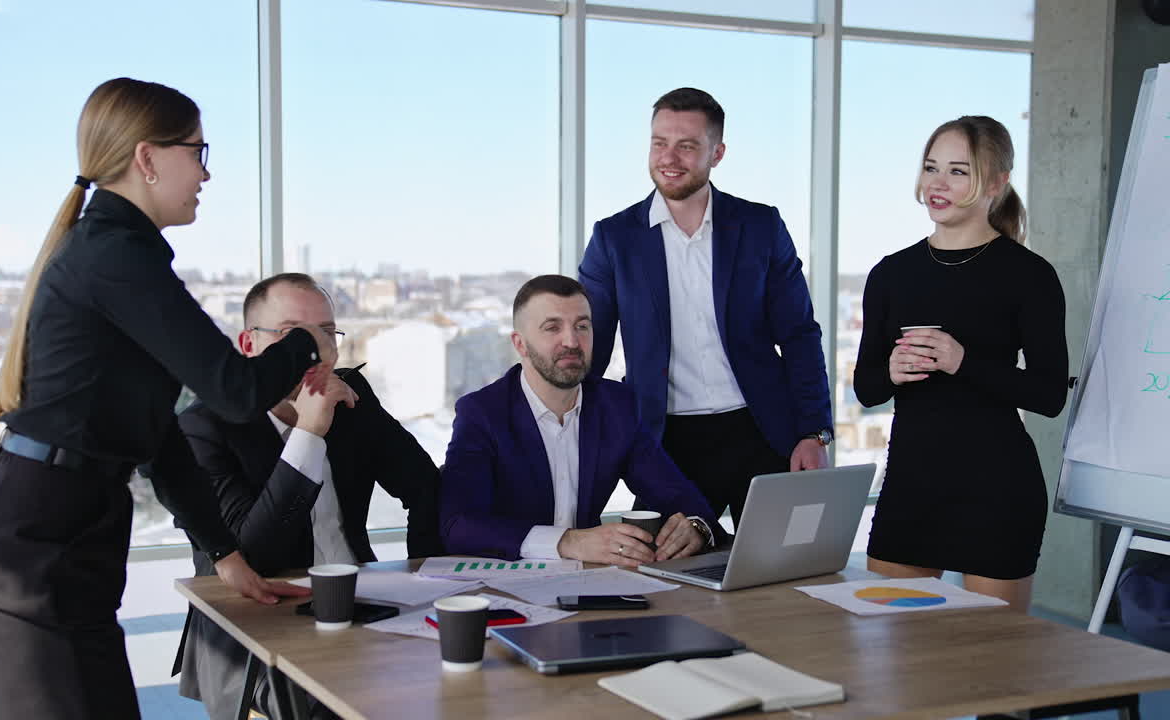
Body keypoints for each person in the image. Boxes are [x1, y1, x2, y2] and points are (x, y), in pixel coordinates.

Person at [0, 78, 337, 719]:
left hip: (32, 540)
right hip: (28, 555)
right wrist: (309, 343)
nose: (206, 173)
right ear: (147, 158)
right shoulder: (115, 255)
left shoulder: (116, 254)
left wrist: (226, 556)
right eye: (198, 151)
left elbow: (159, 439)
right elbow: (237, 390)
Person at [172, 272, 445, 719]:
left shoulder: (353, 400)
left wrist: (427, 577)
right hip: (255, 634)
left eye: (325, 333)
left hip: (360, 610)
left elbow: (424, 487)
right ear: (249, 346)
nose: (314, 351)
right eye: (294, 336)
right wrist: (308, 432)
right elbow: (252, 554)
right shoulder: (204, 427)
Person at [579, 87, 833, 531]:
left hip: (763, 433)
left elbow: (799, 335)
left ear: (717, 153)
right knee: (662, 576)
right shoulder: (613, 238)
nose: (668, 157)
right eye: (659, 142)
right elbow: (590, 352)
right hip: (666, 443)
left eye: (687, 145)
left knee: (778, 574)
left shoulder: (761, 226)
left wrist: (814, 432)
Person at [853, 115, 1068, 612]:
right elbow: (866, 389)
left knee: (994, 662)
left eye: (958, 171)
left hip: (996, 489)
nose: (938, 184)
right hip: (910, 484)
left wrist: (962, 361)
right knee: (894, 661)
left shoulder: (1029, 276)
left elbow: (1048, 395)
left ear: (996, 183)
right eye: (932, 168)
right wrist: (891, 371)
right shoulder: (890, 273)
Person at [440, 275, 722, 567]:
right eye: (552, 328)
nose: (572, 341)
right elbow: (458, 525)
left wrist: (696, 526)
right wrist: (569, 541)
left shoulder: (617, 405)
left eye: (582, 326)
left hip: (589, 581)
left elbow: (676, 493)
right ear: (520, 344)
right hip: (505, 581)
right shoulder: (483, 412)